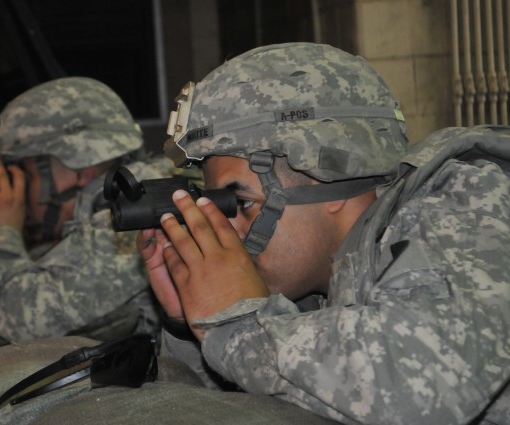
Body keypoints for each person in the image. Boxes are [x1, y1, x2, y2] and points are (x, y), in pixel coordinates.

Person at [138, 42, 510, 424]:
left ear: (326, 174)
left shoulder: (462, 202)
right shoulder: (317, 280)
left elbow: (427, 389)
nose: (225, 232)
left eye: (241, 204)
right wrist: (189, 323)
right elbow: (243, 409)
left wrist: (236, 323)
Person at [0, 76, 173, 380]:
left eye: (22, 172)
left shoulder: (133, 216)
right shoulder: (125, 195)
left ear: (79, 171)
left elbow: (20, 318)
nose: (16, 188)